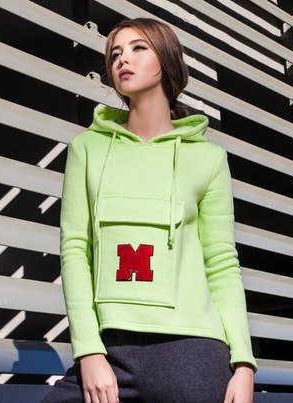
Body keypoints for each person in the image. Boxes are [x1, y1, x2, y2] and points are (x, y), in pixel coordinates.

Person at [42, 18, 256, 403]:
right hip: (111, 347)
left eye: (139, 48)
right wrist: (88, 351)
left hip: (192, 350)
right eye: (115, 54)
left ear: (167, 59)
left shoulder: (208, 158)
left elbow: (222, 262)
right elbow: (75, 251)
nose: (123, 59)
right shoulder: (87, 149)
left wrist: (243, 363)